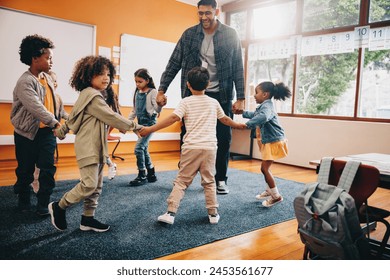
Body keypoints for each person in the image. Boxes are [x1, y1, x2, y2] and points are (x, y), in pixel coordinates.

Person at [156, 0, 245, 195]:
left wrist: (241, 97)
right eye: (200, 13)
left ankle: (220, 179)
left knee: (223, 137)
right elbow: (173, 63)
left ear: (217, 11)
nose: (204, 17)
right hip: (193, 94)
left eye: (207, 13)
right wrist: (162, 89)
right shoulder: (189, 35)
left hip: (221, 94)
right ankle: (184, 176)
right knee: (187, 136)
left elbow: (238, 66)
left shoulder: (230, 34)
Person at [140, 67, 246, 225]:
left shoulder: (186, 102)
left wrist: (150, 129)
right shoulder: (213, 102)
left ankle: (170, 213)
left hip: (191, 147)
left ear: (188, 85)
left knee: (182, 181)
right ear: (208, 84)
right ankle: (213, 214)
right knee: (209, 181)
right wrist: (238, 125)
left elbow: (172, 118)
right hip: (210, 148)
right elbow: (225, 120)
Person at [49, 55, 142, 232]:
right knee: (89, 184)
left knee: (96, 186)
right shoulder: (92, 97)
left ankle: (87, 219)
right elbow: (112, 117)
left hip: (98, 146)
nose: (106, 77)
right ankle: (59, 206)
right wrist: (136, 126)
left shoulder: (90, 95)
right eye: (100, 73)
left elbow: (74, 118)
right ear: (88, 75)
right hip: (88, 147)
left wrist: (61, 131)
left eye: (108, 73)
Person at [10, 34, 61, 216]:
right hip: (26, 134)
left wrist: (66, 118)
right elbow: (36, 108)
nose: (51, 61)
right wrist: (55, 123)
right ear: (35, 58)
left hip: (46, 133)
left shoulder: (46, 79)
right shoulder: (25, 82)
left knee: (47, 169)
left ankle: (43, 204)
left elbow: (55, 104)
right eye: (48, 58)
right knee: (25, 171)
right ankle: (23, 201)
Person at [236, 81, 291, 207]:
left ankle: (276, 196)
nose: (254, 96)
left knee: (264, 168)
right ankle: (269, 189)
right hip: (271, 140)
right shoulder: (265, 105)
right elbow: (256, 115)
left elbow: (263, 117)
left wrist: (246, 125)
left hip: (273, 141)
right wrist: (242, 113)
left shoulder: (267, 107)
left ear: (265, 94)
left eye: (256, 93)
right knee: (266, 168)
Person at [32, 70, 69, 192]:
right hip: (38, 131)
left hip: (51, 132)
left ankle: (45, 184)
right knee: (37, 160)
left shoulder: (58, 98)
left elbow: (62, 113)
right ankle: (35, 180)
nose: (54, 83)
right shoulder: (40, 97)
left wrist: (73, 119)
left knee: (47, 160)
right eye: (52, 80)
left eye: (55, 81)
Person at [128, 68, 162, 186]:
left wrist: (161, 104)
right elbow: (135, 110)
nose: (137, 84)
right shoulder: (137, 92)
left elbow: (157, 109)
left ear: (147, 80)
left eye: (140, 81)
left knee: (138, 149)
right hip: (140, 124)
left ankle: (142, 175)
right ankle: (151, 173)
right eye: (136, 82)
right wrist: (127, 122)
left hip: (150, 124)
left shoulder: (153, 92)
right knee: (144, 148)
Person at [101, 85, 122, 180]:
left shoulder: (110, 108)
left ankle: (110, 165)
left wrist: (106, 132)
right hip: (94, 130)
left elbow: (117, 118)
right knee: (97, 151)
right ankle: (110, 165)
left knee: (100, 150)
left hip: (103, 130)